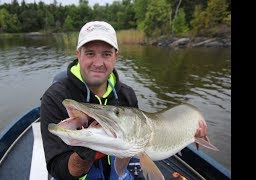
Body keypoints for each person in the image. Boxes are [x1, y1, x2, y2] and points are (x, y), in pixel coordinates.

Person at [39, 21, 208, 180]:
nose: (98, 63)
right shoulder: (54, 98)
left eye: (106, 54)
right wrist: (87, 154)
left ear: (115, 56)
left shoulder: (126, 94)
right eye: (90, 53)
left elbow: (132, 145)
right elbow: (57, 169)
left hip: (117, 164)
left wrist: (195, 135)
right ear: (78, 54)